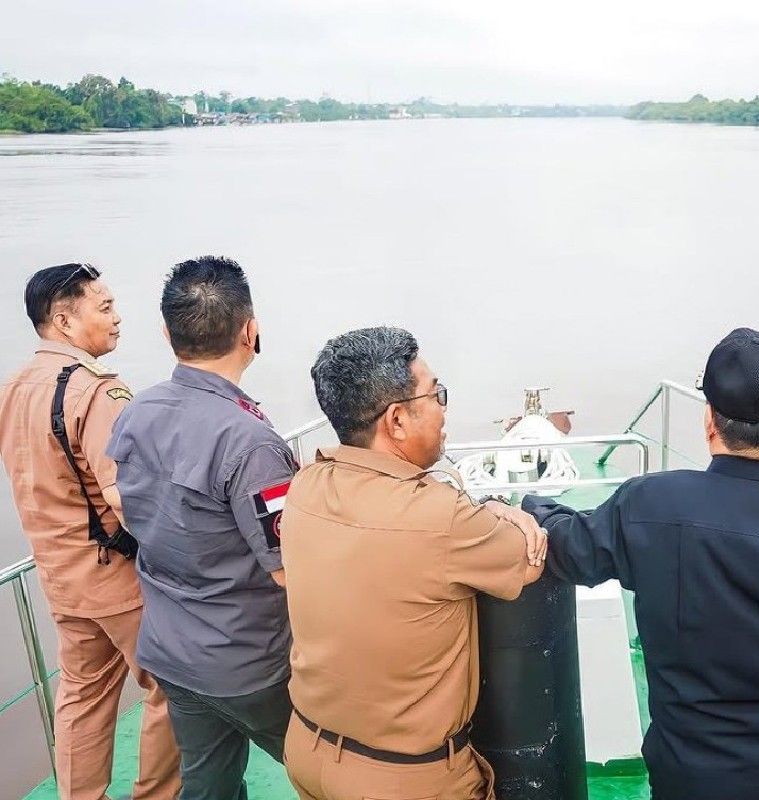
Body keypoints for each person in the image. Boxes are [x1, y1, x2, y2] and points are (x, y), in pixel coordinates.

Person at [522, 328, 759, 800]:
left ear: (710, 420)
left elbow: (567, 549)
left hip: (690, 775)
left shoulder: (650, 506)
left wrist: (530, 507)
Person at [280, 326, 547, 800]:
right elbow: (524, 559)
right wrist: (506, 510)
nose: (444, 408)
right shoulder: (441, 517)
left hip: (308, 750)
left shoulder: (305, 485)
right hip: (404, 779)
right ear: (398, 420)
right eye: (437, 394)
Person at [107, 256, 296, 800]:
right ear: (250, 331)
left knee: (207, 785)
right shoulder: (251, 444)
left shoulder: (137, 412)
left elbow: (125, 505)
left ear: (167, 333)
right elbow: (288, 568)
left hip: (172, 650)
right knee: (336, 769)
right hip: (249, 663)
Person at [0, 264, 180, 800]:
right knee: (171, 687)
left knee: (81, 695)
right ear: (63, 319)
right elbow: (128, 496)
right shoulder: (96, 392)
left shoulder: (13, 389)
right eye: (103, 307)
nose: (117, 318)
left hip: (59, 575)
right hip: (117, 578)